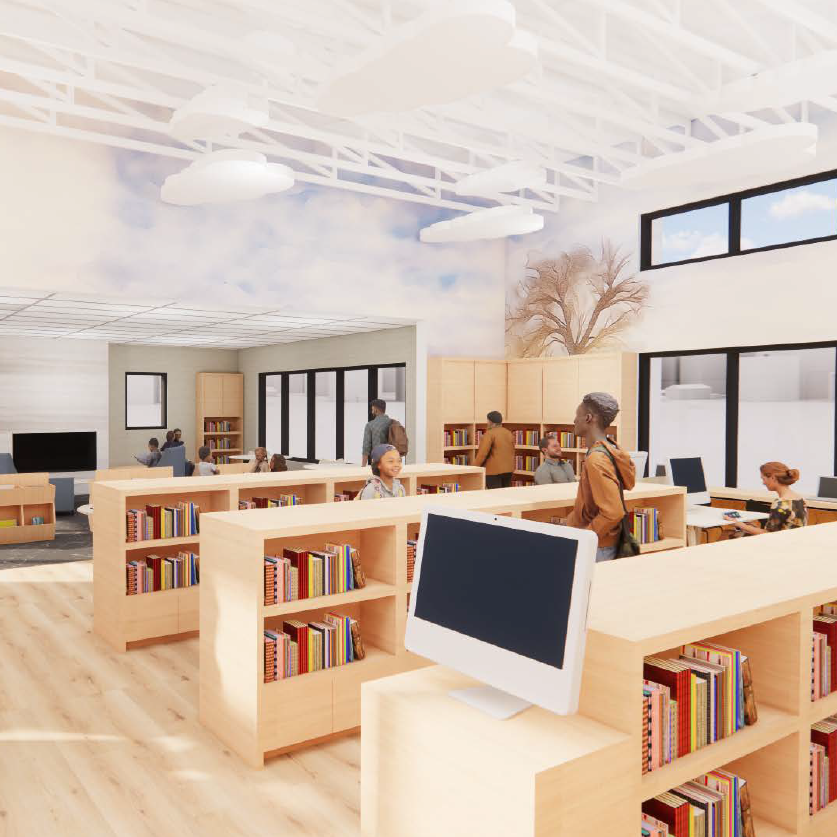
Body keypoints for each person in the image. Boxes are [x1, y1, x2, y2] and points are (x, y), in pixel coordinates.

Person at [566, 392, 636, 562]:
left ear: (589, 418)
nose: (574, 420)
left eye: (577, 416)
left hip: (599, 547)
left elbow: (613, 512)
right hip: (604, 542)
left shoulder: (596, 459)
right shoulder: (609, 448)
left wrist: (587, 535)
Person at [724, 461, 808, 535]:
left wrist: (738, 524)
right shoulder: (800, 499)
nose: (763, 483)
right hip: (792, 545)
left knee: (727, 534)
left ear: (773, 478)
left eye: (763, 479)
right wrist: (751, 527)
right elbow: (781, 529)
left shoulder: (780, 503)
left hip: (779, 547)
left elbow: (768, 535)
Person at [473, 411, 515, 489]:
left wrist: (474, 467)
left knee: (496, 496)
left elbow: (482, 454)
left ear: (490, 421)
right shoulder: (508, 433)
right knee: (506, 496)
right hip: (508, 470)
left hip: (493, 471)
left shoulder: (489, 434)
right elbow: (512, 451)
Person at [362, 400, 391, 467]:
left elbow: (366, 447)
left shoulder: (370, 425)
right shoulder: (393, 423)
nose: (372, 410)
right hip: (391, 460)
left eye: (372, 409)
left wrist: (363, 466)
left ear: (375, 409)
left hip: (378, 462)